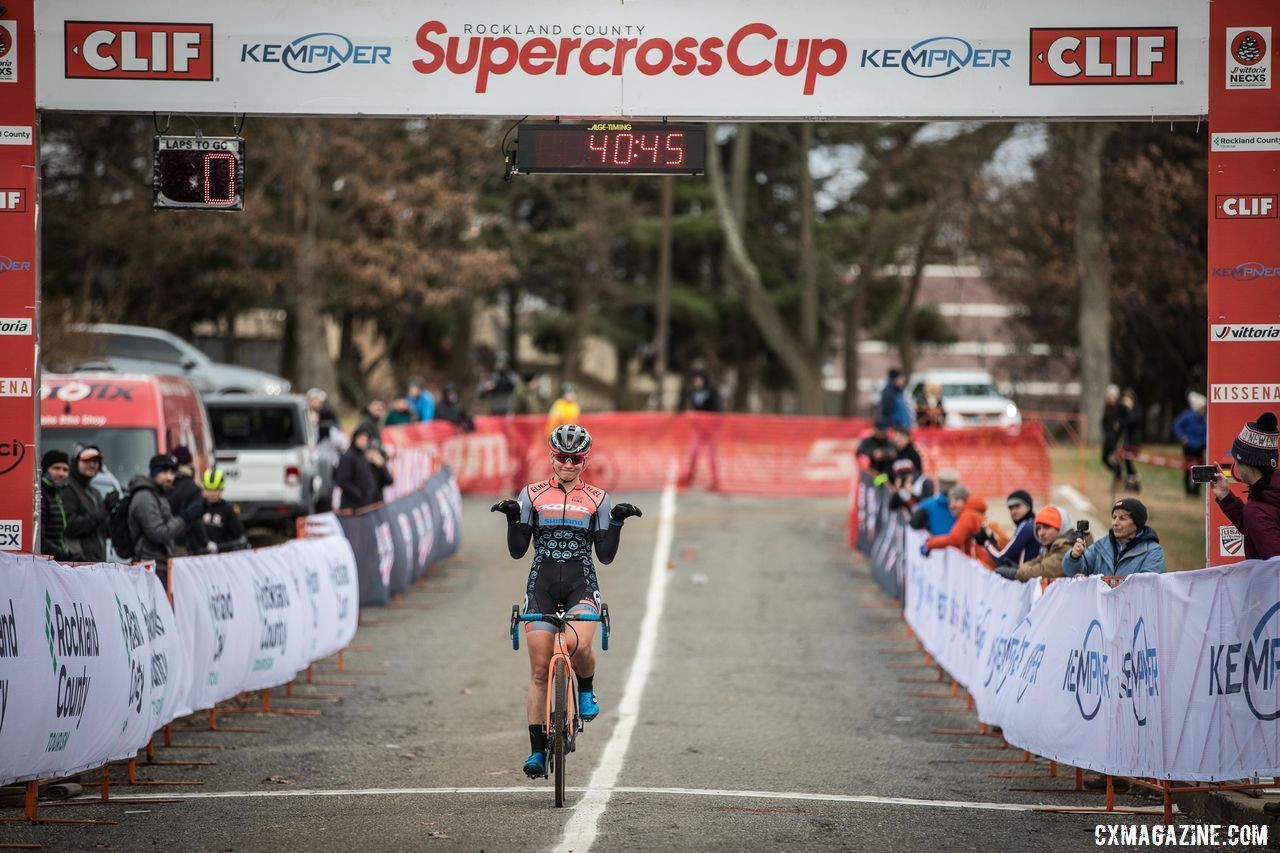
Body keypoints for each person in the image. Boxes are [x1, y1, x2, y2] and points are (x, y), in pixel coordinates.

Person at [491, 424, 642, 779]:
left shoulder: (597, 499)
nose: (568, 464)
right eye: (562, 457)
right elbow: (517, 551)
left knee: (575, 645)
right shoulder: (532, 494)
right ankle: (537, 753)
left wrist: (616, 522)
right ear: (551, 457)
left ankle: (585, 689)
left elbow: (604, 556)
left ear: (585, 460)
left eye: (575, 459)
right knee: (541, 670)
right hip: (541, 584)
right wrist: (514, 516)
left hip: (581, 585)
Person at [1212, 412, 1280, 560]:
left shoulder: (1257, 511)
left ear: (1247, 462)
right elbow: (1257, 528)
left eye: (1236, 457)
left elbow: (1275, 569)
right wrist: (1225, 497)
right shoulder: (1270, 493)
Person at [127, 453, 205, 579]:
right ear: (153, 472)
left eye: (172, 473)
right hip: (148, 566)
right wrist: (185, 517)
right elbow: (158, 533)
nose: (169, 477)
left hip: (159, 564)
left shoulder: (159, 494)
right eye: (164, 472)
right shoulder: (145, 497)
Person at [1062, 498, 1165, 577]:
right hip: (1101, 605)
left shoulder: (1153, 552)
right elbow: (1072, 571)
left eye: (1122, 518)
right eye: (1114, 517)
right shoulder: (1100, 546)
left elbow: (1148, 587)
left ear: (1136, 524)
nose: (1115, 523)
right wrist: (1074, 557)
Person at [997, 505, 1096, 582]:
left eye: (1047, 527)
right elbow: (1036, 562)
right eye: (1038, 528)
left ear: (1060, 528)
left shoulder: (1067, 546)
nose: (1041, 533)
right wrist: (1019, 569)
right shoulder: (1049, 546)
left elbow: (1043, 571)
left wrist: (1016, 574)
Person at [922, 485, 1005, 569]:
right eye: (950, 502)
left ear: (965, 501)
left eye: (956, 501)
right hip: (989, 563)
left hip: (985, 566)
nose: (951, 505)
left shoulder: (967, 515)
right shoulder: (973, 513)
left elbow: (954, 540)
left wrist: (929, 544)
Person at [62, 445, 111, 562]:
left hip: (96, 562)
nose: (92, 465)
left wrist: (116, 513)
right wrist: (102, 512)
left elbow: (105, 531)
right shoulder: (67, 489)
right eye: (87, 460)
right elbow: (70, 525)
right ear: (75, 462)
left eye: (96, 461)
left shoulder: (95, 493)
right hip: (77, 563)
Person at [977, 489, 1042, 568]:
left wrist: (986, 542)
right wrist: (992, 540)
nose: (1013, 511)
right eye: (1010, 508)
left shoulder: (1026, 526)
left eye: (1017, 506)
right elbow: (1009, 558)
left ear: (1028, 506)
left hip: (1028, 578)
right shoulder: (1033, 523)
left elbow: (1001, 559)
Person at [167, 445, 210, 555]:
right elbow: (196, 521)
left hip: (165, 544)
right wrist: (205, 544)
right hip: (186, 547)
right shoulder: (193, 488)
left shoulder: (166, 486)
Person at [199, 468, 249, 552]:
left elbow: (239, 535)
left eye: (215, 490)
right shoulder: (198, 508)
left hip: (221, 556)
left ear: (221, 489)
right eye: (208, 489)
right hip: (198, 557)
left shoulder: (228, 510)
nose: (211, 493)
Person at [333, 428, 383, 510]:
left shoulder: (362, 456)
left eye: (366, 440)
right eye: (361, 439)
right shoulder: (348, 456)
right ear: (355, 438)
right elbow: (342, 481)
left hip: (365, 504)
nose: (363, 442)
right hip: (352, 505)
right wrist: (359, 494)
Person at [39, 450, 74, 560]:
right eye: (56, 468)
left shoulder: (56, 495)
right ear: (45, 469)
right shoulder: (41, 495)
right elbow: (40, 539)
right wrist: (65, 555)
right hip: (46, 563)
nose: (61, 473)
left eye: (65, 469)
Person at [1173, 391, 1208, 497]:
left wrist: (1204, 442)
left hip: (1200, 447)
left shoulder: (1204, 418)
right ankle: (1188, 492)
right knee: (1188, 469)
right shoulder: (1187, 415)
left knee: (1201, 470)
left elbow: (1206, 431)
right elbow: (1176, 425)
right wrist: (1183, 437)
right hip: (1188, 447)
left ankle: (1196, 492)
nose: (1204, 409)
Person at [908, 469, 959, 535]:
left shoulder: (927, 504)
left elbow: (914, 524)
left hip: (935, 543)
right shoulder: (965, 505)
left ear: (940, 485)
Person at [1116, 388, 1144, 492]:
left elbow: (1133, 421)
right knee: (1126, 461)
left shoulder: (1136, 409)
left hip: (1134, 439)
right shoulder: (1123, 410)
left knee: (1129, 460)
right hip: (1125, 439)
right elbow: (1120, 420)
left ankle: (1135, 479)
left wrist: (1129, 409)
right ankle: (1131, 482)